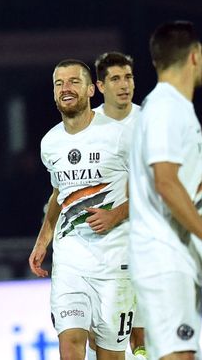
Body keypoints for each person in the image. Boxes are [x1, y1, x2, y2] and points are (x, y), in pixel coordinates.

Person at [128, 20, 202, 360]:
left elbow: (153, 186)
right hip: (164, 257)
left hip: (174, 257)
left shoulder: (166, 107)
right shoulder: (166, 108)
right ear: (195, 56)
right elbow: (164, 182)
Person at [29, 59, 134, 360]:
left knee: (110, 354)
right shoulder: (50, 143)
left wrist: (116, 214)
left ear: (91, 90)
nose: (66, 88)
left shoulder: (120, 136)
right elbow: (58, 193)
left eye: (74, 81)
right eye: (59, 83)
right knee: (71, 342)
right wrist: (42, 240)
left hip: (116, 264)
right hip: (70, 262)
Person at [87, 51, 145, 360]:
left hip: (148, 241)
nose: (124, 85)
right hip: (101, 250)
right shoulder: (88, 127)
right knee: (105, 342)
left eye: (128, 77)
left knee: (144, 335)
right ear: (99, 86)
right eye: (115, 79)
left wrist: (117, 215)